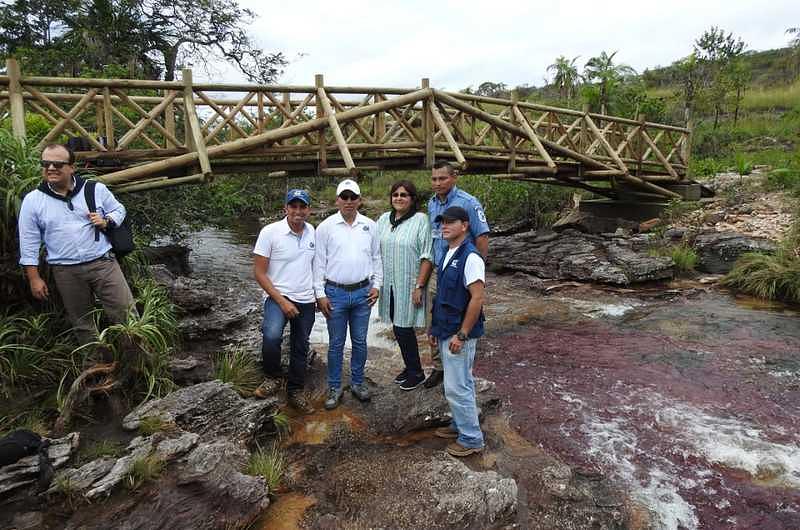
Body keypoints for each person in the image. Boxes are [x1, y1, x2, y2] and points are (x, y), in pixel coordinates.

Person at [17, 143, 135, 348]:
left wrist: (107, 220)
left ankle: (140, 364)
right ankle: (95, 368)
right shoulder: (33, 200)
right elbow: (28, 241)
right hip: (65, 270)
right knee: (82, 324)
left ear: (72, 167)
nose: (51, 168)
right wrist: (34, 278)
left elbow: (119, 209)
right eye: (46, 164)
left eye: (57, 164)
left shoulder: (94, 189)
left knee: (127, 316)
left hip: (103, 264)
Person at [314, 179, 382, 410]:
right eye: (344, 197)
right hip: (335, 293)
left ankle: (357, 382)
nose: (349, 201)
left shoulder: (370, 225)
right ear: (337, 200)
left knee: (361, 341)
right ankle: (334, 386)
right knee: (335, 343)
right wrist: (320, 294)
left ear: (359, 200)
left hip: (363, 292)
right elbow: (318, 264)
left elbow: (376, 257)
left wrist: (377, 285)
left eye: (353, 197)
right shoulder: (324, 227)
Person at [425, 161, 490, 388]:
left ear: (454, 178)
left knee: (464, 313)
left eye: (442, 178)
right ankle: (439, 367)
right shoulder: (431, 204)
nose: (437, 183)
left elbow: (481, 237)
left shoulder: (469, 203)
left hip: (462, 269)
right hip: (440, 269)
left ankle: (461, 367)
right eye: (434, 179)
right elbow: (435, 237)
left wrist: (477, 269)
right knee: (435, 317)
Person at [428, 206, 486, 457]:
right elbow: (443, 296)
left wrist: (462, 334)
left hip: (459, 334)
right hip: (445, 329)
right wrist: (435, 328)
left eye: (451, 222)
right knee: (460, 383)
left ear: (465, 226)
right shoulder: (448, 252)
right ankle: (459, 424)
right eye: (442, 222)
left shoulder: (471, 257)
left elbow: (477, 298)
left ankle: (471, 438)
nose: (445, 226)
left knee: (457, 386)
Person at [252, 189, 317, 414]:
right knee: (271, 336)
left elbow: (317, 268)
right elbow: (259, 273)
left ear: (309, 209)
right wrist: (282, 301)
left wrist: (319, 295)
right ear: (285, 209)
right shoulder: (270, 232)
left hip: (306, 298)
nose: (298, 211)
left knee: (301, 345)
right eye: (293, 206)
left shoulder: (313, 233)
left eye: (302, 207)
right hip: (277, 296)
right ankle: (273, 377)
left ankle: (295, 390)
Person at [376, 180, 433, 391]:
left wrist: (420, 285)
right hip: (389, 284)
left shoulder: (421, 220)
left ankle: (417, 373)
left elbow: (428, 254)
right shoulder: (383, 219)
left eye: (404, 195)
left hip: (409, 283)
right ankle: (410, 367)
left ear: (412, 199)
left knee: (404, 327)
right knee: (397, 327)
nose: (399, 198)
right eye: (395, 194)